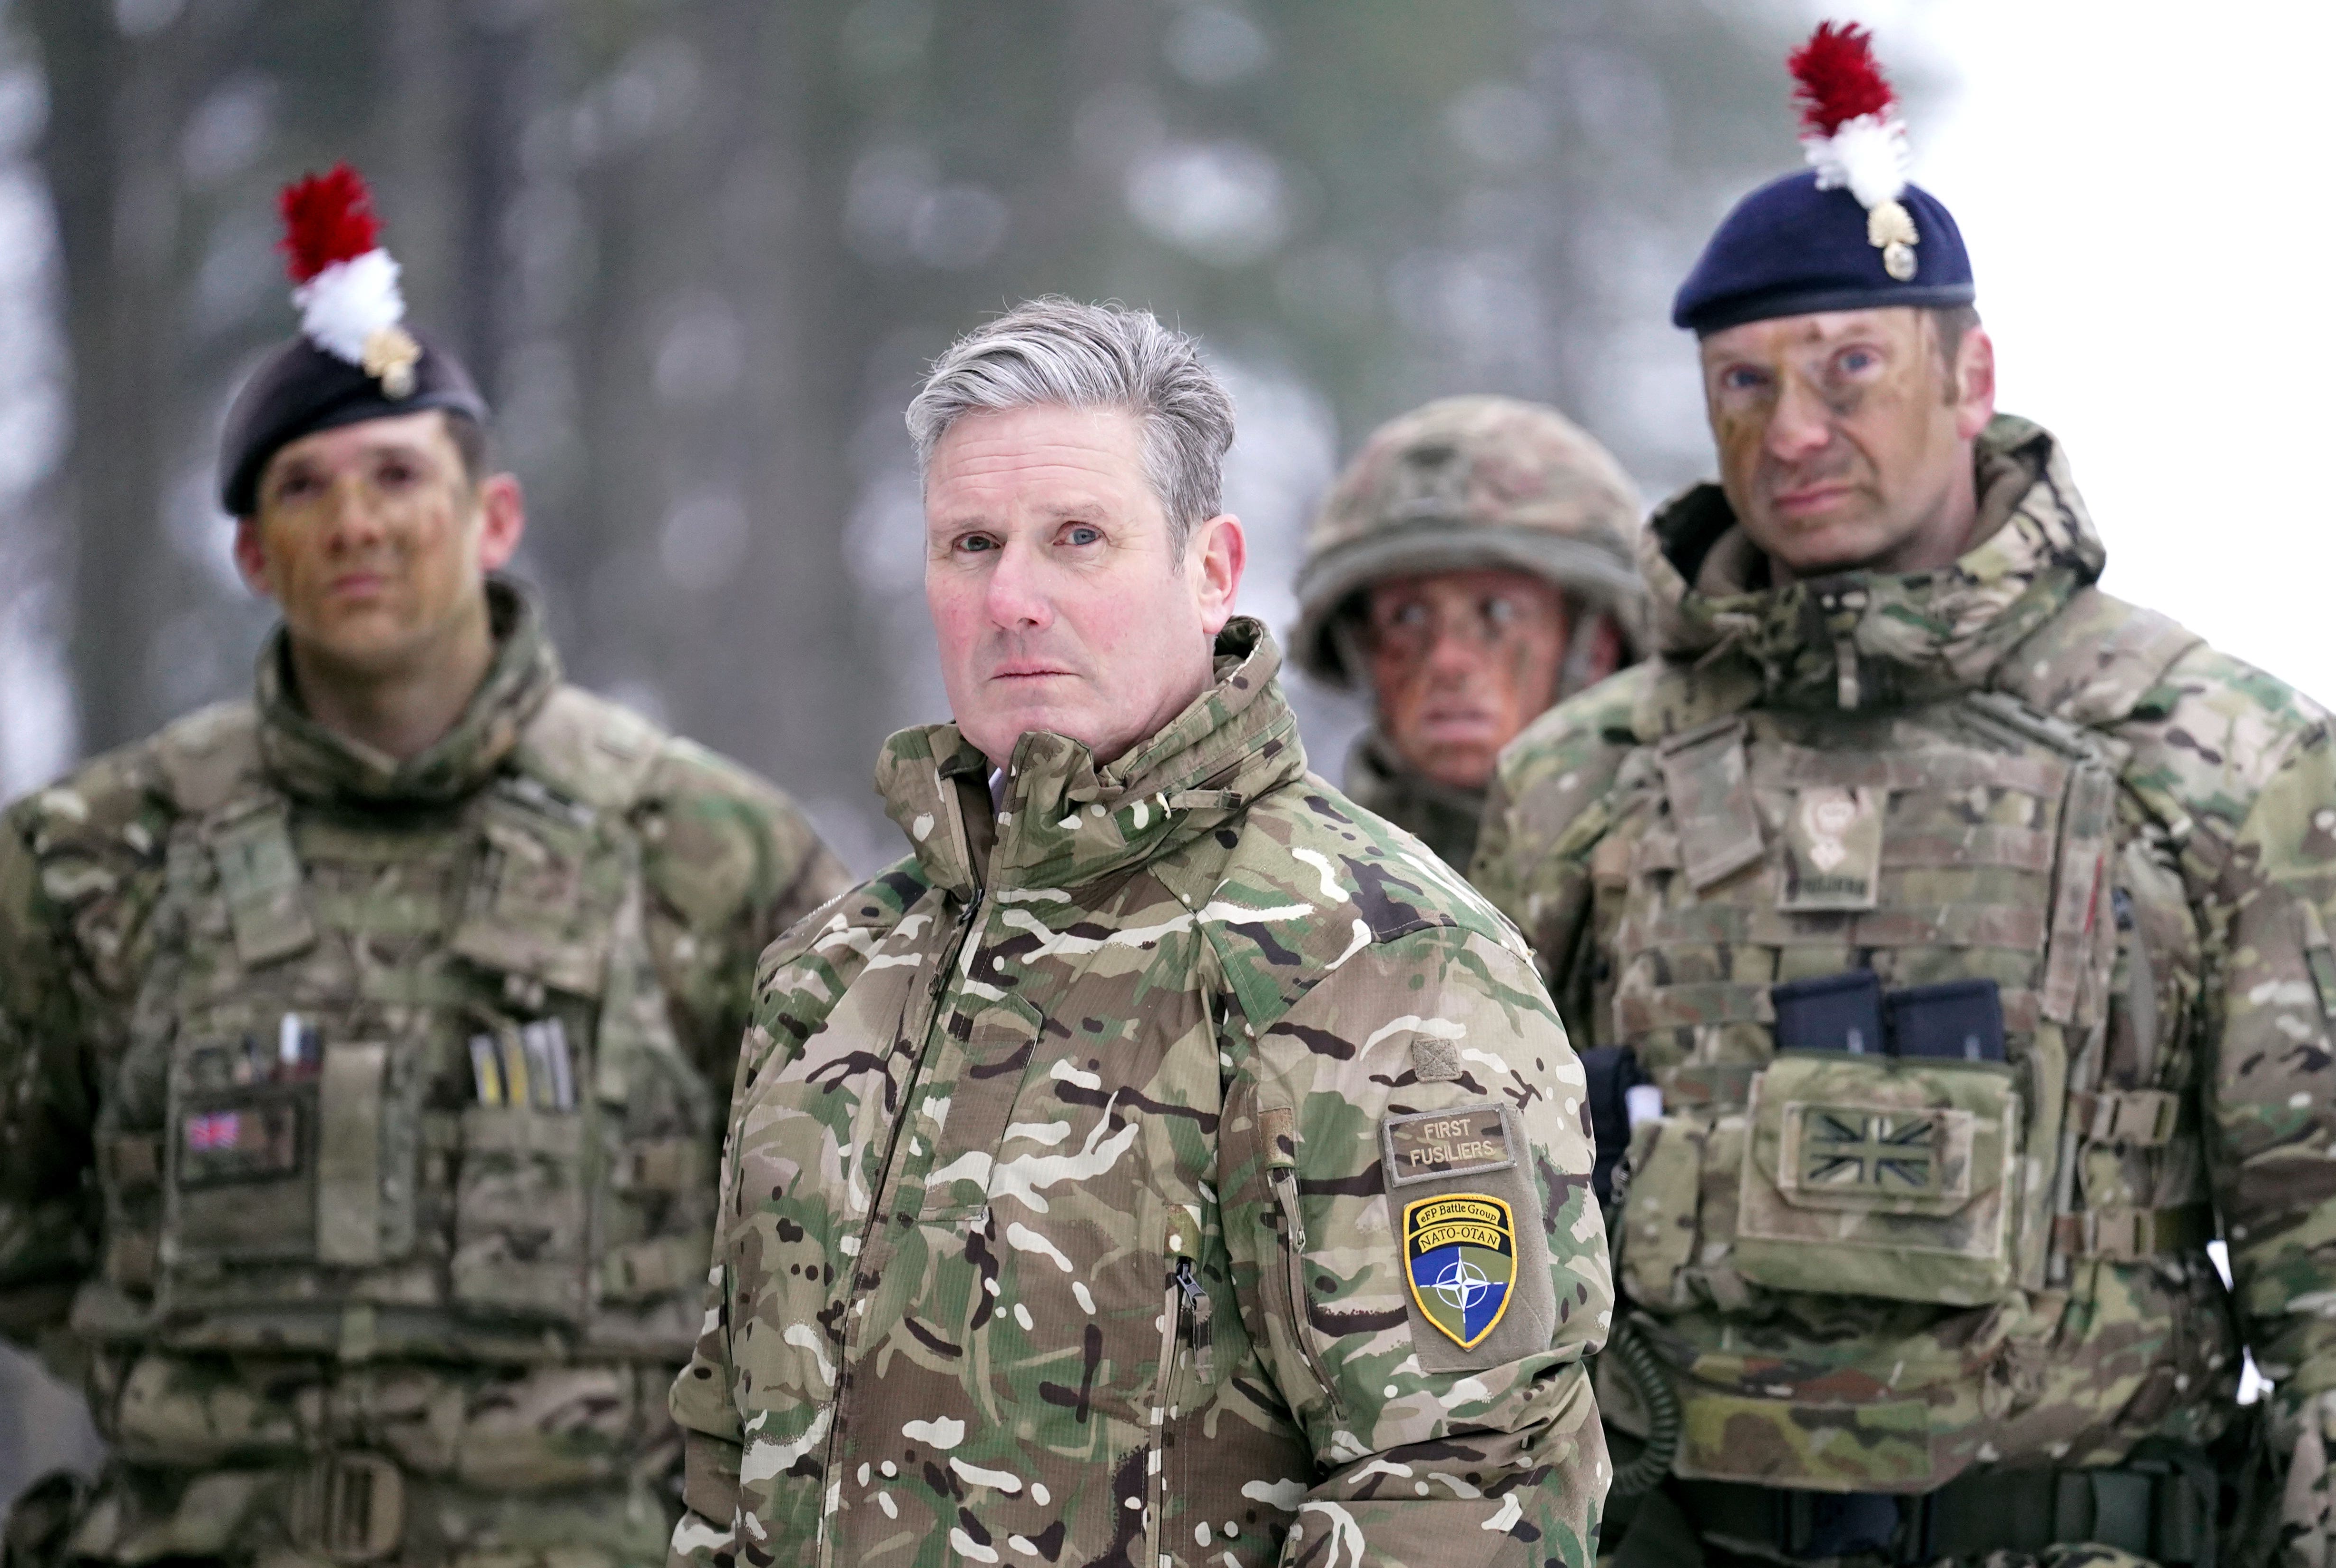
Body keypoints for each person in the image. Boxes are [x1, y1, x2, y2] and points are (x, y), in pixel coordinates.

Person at [1469, 23, 2336, 1568]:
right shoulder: (1578, 779)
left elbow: (2323, 1259)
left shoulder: (2213, 754)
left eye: (1850, 366)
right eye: (1744, 381)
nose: (1793, 428)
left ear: (1971, 371)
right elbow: (1469, 1231)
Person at [0, 166, 849, 1568]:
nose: (359, 524)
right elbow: (13, 1227)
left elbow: (820, 1240)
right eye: (306, 490)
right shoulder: (95, 858)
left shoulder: (702, 849)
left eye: (399, 476)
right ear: (256, 555)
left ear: (492, 518)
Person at [664, 297, 1612, 1568]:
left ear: (1210, 566)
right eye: (970, 544)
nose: (1012, 597)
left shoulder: (1380, 964)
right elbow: (731, 1458)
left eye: (1077, 539)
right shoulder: (834, 977)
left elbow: (1469, 1490)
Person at [1288, 396, 1645, 872]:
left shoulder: (1686, 883)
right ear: (1361, 649)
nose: (1447, 660)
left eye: (1498, 611)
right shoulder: (1293, 890)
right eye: (1407, 617)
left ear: (1597, 646)